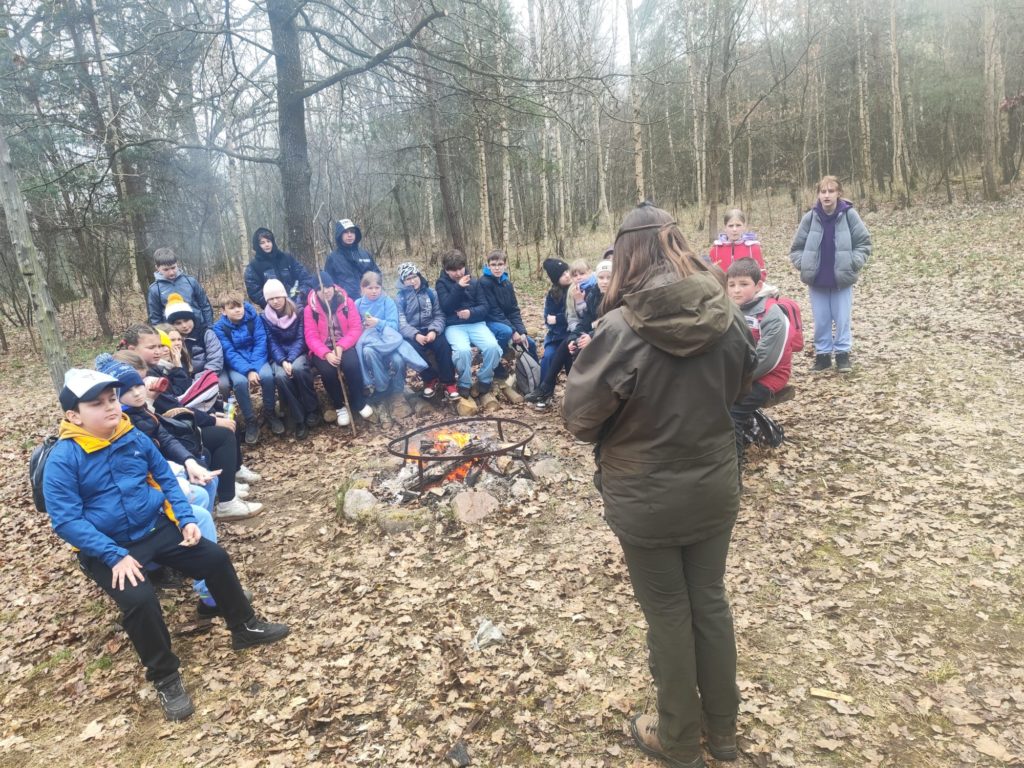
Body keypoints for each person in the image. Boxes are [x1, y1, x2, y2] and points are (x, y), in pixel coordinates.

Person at [563, 203, 755, 768]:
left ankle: (679, 739)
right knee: (709, 602)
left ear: (626, 255)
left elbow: (580, 419)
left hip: (645, 496)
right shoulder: (725, 310)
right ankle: (722, 731)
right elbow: (743, 380)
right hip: (713, 483)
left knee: (671, 612)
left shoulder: (619, 331)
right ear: (676, 242)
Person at [42, 369, 288, 722]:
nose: (110, 407)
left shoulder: (131, 435)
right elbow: (66, 521)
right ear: (74, 416)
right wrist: (114, 555)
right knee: (139, 600)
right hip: (106, 547)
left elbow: (165, 477)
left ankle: (244, 627)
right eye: (97, 404)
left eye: (112, 399)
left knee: (214, 558)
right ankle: (165, 677)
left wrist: (185, 519)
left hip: (153, 527)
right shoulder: (63, 458)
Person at [111, 346, 261, 520]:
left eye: (140, 383)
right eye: (152, 346)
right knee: (219, 438)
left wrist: (176, 367)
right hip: (170, 443)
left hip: (175, 432)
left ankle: (227, 488)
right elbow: (162, 421)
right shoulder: (125, 412)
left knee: (217, 438)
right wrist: (151, 401)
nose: (138, 391)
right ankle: (226, 499)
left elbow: (179, 396)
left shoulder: (156, 374)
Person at [788, 175, 871, 372]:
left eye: (831, 191)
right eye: (823, 191)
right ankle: (823, 355)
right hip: (817, 280)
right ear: (818, 194)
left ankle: (843, 355)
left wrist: (853, 263)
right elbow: (796, 248)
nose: (826, 195)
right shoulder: (810, 217)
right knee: (822, 319)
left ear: (838, 193)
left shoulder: (849, 215)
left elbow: (864, 243)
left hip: (842, 279)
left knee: (842, 318)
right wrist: (805, 265)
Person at [725, 257, 792, 473]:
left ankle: (733, 467)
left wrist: (732, 381)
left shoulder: (772, 313)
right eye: (732, 284)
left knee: (733, 411)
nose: (736, 290)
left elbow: (767, 359)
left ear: (758, 285)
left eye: (744, 284)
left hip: (768, 376)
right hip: (738, 373)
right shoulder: (730, 309)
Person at [525, 258, 611, 409]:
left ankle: (572, 395)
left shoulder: (597, 291)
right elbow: (574, 318)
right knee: (552, 354)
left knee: (571, 351)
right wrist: (574, 336)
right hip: (563, 334)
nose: (570, 276)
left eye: (567, 272)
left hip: (600, 336)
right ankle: (546, 391)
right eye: (573, 274)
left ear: (590, 273)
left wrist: (587, 333)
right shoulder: (567, 292)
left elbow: (606, 321)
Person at [354, 271, 427, 424]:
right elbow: (354, 327)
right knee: (367, 352)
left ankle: (398, 392)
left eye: (377, 287)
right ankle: (382, 388)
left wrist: (378, 323)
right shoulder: (358, 304)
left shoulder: (388, 302)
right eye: (370, 288)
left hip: (389, 341)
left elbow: (394, 326)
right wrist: (363, 326)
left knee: (398, 359)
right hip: (370, 342)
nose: (374, 291)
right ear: (362, 288)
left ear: (381, 288)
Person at [304, 271, 373, 427]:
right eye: (321, 288)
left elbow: (355, 328)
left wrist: (341, 346)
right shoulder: (310, 310)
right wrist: (326, 353)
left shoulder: (346, 303)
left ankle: (358, 401)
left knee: (351, 364)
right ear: (316, 291)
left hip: (344, 343)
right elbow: (311, 336)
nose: (326, 291)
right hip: (322, 348)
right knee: (327, 371)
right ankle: (339, 406)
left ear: (334, 286)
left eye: (329, 286)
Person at [435, 249, 502, 408]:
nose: (459, 273)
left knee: (493, 347)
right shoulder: (441, 284)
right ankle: (464, 382)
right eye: (454, 270)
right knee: (462, 351)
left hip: (476, 323)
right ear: (446, 270)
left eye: (461, 268)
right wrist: (458, 288)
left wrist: (471, 313)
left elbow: (484, 307)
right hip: (454, 326)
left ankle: (484, 379)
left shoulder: (474, 282)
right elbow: (446, 307)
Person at [213, 291, 277, 444]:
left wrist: (254, 368)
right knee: (240, 383)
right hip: (236, 365)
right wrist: (248, 371)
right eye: (232, 308)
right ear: (223, 311)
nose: (237, 310)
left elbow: (260, 342)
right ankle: (250, 421)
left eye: (239, 306)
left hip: (258, 359)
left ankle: (270, 413)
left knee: (267, 376)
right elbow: (229, 352)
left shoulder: (254, 319)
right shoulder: (219, 328)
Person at [261, 278, 321, 439]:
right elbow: (271, 342)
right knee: (281, 376)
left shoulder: (298, 311)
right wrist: (282, 361)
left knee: (299, 369)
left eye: (278, 297)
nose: (275, 301)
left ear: (284, 296)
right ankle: (299, 419)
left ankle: (312, 409)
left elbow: (301, 337)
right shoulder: (265, 317)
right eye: (271, 299)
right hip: (278, 356)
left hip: (298, 351)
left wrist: (291, 358)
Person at [396, 261, 459, 401]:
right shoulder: (400, 298)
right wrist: (415, 335)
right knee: (413, 350)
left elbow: (439, 315)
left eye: (414, 276)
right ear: (403, 281)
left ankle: (449, 383)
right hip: (413, 333)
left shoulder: (431, 293)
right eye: (408, 279)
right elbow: (401, 322)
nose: (412, 281)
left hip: (431, 329)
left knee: (443, 346)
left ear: (419, 276)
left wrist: (434, 331)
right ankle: (430, 379)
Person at [478, 249, 534, 404]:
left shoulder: (506, 283)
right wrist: (513, 331)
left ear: (505, 265)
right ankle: (495, 364)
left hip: (505, 321)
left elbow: (514, 310)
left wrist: (521, 331)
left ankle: (532, 382)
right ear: (488, 266)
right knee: (506, 332)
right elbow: (493, 311)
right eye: (493, 265)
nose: (497, 268)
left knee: (530, 343)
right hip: (489, 321)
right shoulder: (484, 282)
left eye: (500, 264)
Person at [243, 227, 317, 309]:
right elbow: (254, 292)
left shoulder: (286, 258)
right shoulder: (254, 266)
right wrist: (274, 302)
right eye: (262, 243)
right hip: (274, 308)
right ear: (257, 245)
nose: (267, 245)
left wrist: (301, 294)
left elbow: (305, 277)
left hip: (297, 303)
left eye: (268, 241)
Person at [146, 248, 214, 328]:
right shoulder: (154, 289)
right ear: (157, 268)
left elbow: (205, 306)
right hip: (174, 333)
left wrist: (209, 327)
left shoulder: (190, 281)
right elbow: (155, 318)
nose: (171, 272)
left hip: (199, 328)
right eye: (166, 269)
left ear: (177, 264)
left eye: (173, 268)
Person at [325, 218, 382, 299]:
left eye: (352, 232)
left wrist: (373, 291)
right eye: (346, 232)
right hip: (346, 301)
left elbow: (377, 275)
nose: (349, 235)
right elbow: (329, 283)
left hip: (368, 300)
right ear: (339, 235)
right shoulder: (332, 258)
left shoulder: (365, 254)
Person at [539, 257, 572, 384]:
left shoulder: (577, 289)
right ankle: (544, 389)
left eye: (567, 271)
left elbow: (577, 315)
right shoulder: (552, 294)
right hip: (556, 337)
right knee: (548, 357)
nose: (567, 275)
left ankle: (574, 391)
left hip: (573, 335)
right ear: (556, 279)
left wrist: (558, 318)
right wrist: (557, 321)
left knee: (571, 358)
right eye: (563, 274)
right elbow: (548, 319)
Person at [708, 209, 766, 279]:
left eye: (738, 225)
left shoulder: (753, 248)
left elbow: (762, 274)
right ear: (725, 228)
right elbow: (709, 275)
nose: (734, 229)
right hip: (721, 285)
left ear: (744, 226)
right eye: (730, 226)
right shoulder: (716, 250)